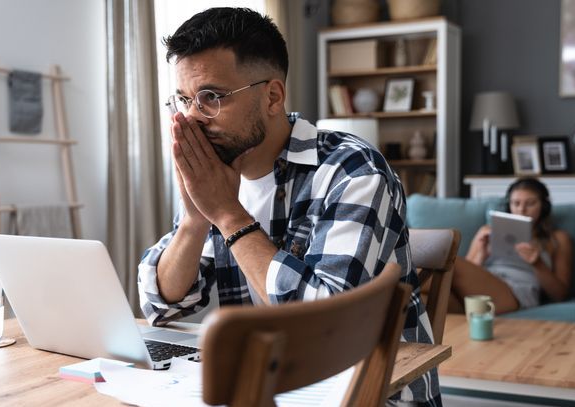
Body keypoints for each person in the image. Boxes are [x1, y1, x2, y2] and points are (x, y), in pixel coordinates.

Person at [137, 7, 440, 405]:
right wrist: (195, 219)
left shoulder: (353, 171)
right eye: (184, 99)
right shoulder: (218, 175)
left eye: (210, 97)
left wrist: (228, 215)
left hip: (363, 391)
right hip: (270, 386)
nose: (192, 117)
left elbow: (325, 326)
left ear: (273, 96)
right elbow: (162, 305)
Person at [450, 177, 573, 314]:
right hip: (482, 285)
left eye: (530, 203)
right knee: (427, 299)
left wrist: (538, 264)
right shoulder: (487, 231)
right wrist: (480, 256)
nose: (521, 209)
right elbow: (464, 276)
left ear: (543, 206)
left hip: (516, 292)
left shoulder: (557, 238)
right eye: (516, 203)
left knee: (449, 263)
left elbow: (560, 295)